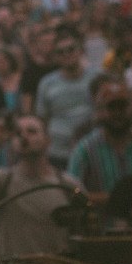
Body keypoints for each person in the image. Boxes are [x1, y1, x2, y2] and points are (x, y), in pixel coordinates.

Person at [0, 115, 80, 257]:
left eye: (32, 131)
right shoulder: (3, 180)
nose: (24, 136)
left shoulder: (68, 184)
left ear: (47, 141)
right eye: (18, 133)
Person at [66, 77, 132, 206]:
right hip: (101, 224)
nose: (118, 113)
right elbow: (71, 193)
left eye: (122, 107)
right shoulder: (85, 149)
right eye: (112, 108)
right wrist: (115, 199)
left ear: (131, 107)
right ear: (101, 111)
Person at [35, 32, 99, 172]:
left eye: (70, 49)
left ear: (80, 51)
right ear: (56, 57)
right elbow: (42, 119)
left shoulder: (96, 77)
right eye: (60, 52)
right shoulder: (47, 83)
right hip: (57, 154)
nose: (66, 54)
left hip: (93, 150)